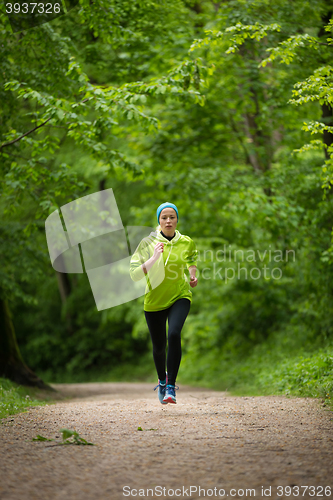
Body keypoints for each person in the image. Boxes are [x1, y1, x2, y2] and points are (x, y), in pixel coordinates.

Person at [130, 202, 198, 404]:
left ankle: (171, 387)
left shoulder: (186, 242)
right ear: (158, 221)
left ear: (177, 220)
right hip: (154, 301)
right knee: (159, 347)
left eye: (172, 217)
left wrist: (192, 276)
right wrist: (153, 258)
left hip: (180, 295)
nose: (168, 221)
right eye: (164, 218)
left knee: (174, 333)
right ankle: (161, 380)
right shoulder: (147, 244)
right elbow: (134, 275)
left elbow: (192, 260)